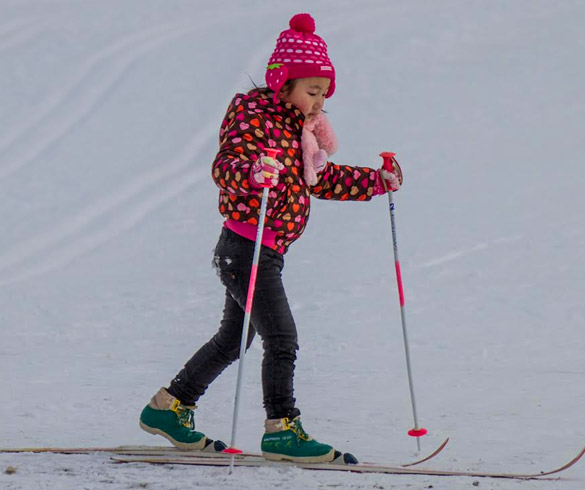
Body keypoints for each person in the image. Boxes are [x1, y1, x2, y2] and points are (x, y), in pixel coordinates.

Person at [139, 12, 402, 463]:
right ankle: (281, 428)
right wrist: (252, 173)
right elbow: (225, 167)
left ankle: (169, 408)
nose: (319, 102)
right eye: (312, 91)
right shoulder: (253, 116)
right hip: (245, 247)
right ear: (283, 85)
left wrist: (376, 182)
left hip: (264, 250)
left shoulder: (301, 132)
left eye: (324, 93)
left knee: (234, 339)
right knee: (281, 337)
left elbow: (321, 180)